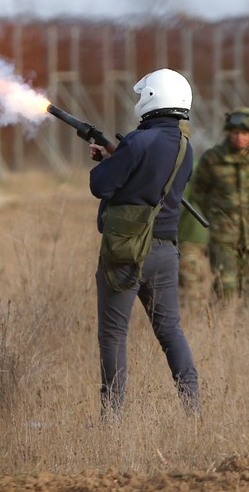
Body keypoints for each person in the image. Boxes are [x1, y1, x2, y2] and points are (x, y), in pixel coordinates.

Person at [88, 68, 200, 419]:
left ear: (152, 98)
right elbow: (151, 183)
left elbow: (101, 186)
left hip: (126, 252)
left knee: (113, 336)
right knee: (170, 331)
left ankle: (112, 419)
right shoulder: (186, 147)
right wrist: (117, 157)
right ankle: (193, 409)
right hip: (166, 252)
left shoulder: (137, 142)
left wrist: (108, 161)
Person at [192, 107, 249, 310]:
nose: (240, 137)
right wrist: (215, 217)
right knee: (225, 286)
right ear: (229, 133)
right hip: (224, 236)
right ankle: (216, 330)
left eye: (245, 133)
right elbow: (199, 192)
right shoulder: (212, 159)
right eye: (235, 133)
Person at [178, 155, 211, 310]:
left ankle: (194, 319)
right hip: (201, 232)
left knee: (188, 278)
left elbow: (177, 204)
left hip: (188, 233)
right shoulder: (198, 163)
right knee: (193, 277)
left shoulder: (180, 166)